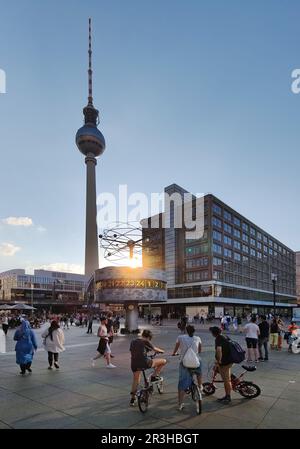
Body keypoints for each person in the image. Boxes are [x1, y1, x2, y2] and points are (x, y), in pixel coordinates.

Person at [129, 329, 166, 406]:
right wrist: (162, 351)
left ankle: (132, 399)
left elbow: (134, 351)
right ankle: (153, 376)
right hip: (144, 363)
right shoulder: (145, 341)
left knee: (136, 379)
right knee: (163, 361)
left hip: (134, 364)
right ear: (149, 337)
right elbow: (155, 349)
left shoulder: (133, 341)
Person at [172, 325, 202, 411]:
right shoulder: (198, 338)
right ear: (194, 331)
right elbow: (199, 350)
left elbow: (177, 347)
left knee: (182, 384)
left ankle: (180, 404)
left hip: (184, 362)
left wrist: (174, 353)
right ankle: (200, 385)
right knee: (199, 369)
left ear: (186, 330)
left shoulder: (180, 337)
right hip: (196, 362)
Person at [209, 326, 233, 404]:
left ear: (213, 333)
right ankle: (233, 380)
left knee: (226, 380)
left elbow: (219, 351)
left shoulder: (218, 339)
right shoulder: (224, 336)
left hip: (225, 361)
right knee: (216, 370)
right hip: (230, 359)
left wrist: (218, 361)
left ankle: (228, 396)